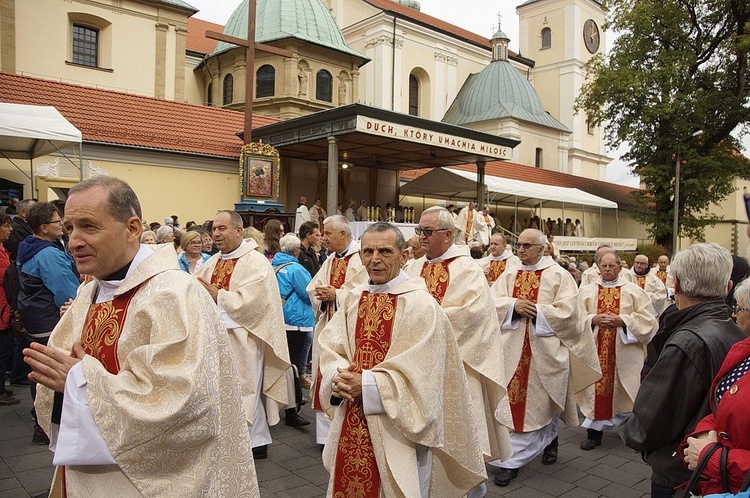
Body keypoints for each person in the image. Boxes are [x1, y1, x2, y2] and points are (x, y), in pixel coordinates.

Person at [24, 177, 258, 496]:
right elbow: (58, 383)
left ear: (132, 228)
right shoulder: (87, 294)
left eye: (88, 227)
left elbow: (185, 401)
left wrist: (81, 381)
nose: (74, 241)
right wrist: (64, 383)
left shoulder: (175, 294)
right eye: (69, 228)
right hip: (82, 475)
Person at [318, 222, 487, 497]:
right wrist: (337, 375)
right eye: (368, 252)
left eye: (385, 251)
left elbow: (424, 375)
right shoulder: (353, 298)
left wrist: (370, 384)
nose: (375, 260)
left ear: (403, 255)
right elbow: (330, 345)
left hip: (399, 427)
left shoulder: (420, 305)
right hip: (352, 413)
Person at [622, 242, 746, 498]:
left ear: (675, 285)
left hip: (680, 471)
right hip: (712, 463)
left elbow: (652, 418)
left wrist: (631, 434)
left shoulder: (686, 342)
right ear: (728, 288)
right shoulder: (735, 330)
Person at [405, 206, 513, 497]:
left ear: (448, 234)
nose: (421, 237)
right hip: (417, 369)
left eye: (427, 231)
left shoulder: (468, 271)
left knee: (461, 440)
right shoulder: (413, 268)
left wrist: (421, 323)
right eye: (420, 231)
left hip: (457, 369)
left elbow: (472, 316)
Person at [491, 228, 600, 486]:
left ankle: (530, 452)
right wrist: (512, 307)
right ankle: (517, 457)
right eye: (519, 245)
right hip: (511, 352)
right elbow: (490, 301)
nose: (520, 250)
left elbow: (572, 315)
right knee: (516, 410)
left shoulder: (559, 276)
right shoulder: (510, 272)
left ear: (542, 249)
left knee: (541, 405)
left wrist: (538, 311)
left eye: (527, 246)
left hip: (545, 353)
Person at [196, 211, 291, 461]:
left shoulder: (256, 262)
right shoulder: (212, 262)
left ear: (239, 231)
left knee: (245, 389)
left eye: (222, 228)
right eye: (214, 228)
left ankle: (250, 442)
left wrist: (220, 296)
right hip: (214, 338)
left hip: (245, 337)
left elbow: (256, 304)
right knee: (221, 390)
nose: (216, 234)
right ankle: (244, 440)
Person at [576, 252, 657, 450]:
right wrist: (592, 320)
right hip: (594, 349)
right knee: (594, 388)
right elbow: (574, 318)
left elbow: (649, 320)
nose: (608, 269)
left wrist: (623, 321)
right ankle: (593, 435)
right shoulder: (586, 291)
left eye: (612, 266)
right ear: (598, 267)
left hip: (624, 350)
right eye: (604, 266)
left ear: (620, 267)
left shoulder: (634, 291)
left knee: (624, 390)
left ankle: (625, 430)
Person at [678, 278, 750, 495]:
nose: (734, 314)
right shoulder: (743, 350)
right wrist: (703, 434)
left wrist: (711, 456)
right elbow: (722, 403)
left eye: (739, 308)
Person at [17, 202, 80, 445]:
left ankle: (38, 420)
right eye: (58, 222)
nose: (62, 225)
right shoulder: (48, 254)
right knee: (50, 372)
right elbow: (67, 292)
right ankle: (46, 424)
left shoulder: (27, 246)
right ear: (44, 227)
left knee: (39, 368)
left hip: (34, 318)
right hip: (49, 320)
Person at [306, 214, 368, 445]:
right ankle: (325, 438)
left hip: (350, 332)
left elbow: (366, 291)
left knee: (342, 374)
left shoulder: (361, 256)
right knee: (325, 374)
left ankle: (343, 429)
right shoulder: (330, 260)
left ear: (343, 234)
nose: (323, 238)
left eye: (328, 234)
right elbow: (314, 286)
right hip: (328, 325)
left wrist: (337, 294)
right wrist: (321, 295)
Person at [272, 233, 313, 427]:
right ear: (296, 251)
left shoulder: (272, 265)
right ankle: (292, 410)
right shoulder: (296, 269)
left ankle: (287, 403)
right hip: (296, 320)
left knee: (284, 364)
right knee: (295, 366)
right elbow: (308, 293)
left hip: (279, 318)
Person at [0, 214, 18, 405]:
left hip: (4, 307)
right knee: (2, 350)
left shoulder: (3, 249)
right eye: (6, 226)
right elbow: (5, 276)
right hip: (1, 309)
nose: (10, 229)